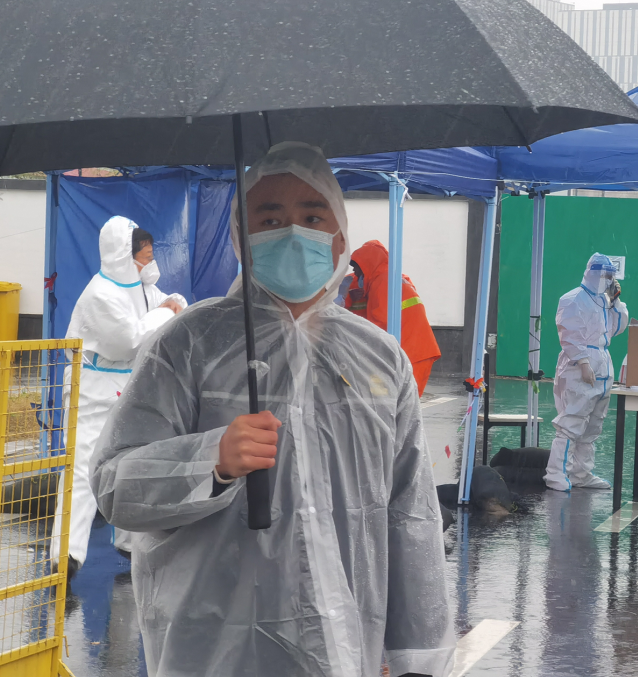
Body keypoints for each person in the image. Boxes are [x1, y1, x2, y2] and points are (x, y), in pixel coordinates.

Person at [91, 143, 454, 677]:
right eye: (270, 218)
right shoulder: (186, 346)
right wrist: (211, 460)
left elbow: (411, 518)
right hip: (215, 652)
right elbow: (114, 488)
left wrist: (416, 659)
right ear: (242, 237)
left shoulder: (380, 359)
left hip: (349, 650)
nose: (292, 233)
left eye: (312, 217)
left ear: (340, 237)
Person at [50, 217, 185, 576]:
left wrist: (169, 305)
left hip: (128, 384)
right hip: (92, 388)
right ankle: (66, 553)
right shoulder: (101, 294)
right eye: (145, 257)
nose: (149, 263)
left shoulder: (140, 288)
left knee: (131, 460)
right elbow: (129, 340)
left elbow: (173, 305)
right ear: (124, 256)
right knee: (83, 466)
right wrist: (164, 312)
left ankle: (129, 542)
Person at [545, 253, 628, 492]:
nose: (609, 280)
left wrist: (615, 302)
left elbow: (617, 327)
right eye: (606, 275)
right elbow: (569, 332)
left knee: (592, 425)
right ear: (593, 273)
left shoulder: (603, 301)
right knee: (572, 421)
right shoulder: (573, 299)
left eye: (611, 276)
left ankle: (581, 474)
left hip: (602, 363)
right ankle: (556, 474)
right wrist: (582, 361)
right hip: (578, 366)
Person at [336, 240, 441, 396]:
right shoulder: (390, 277)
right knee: (401, 400)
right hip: (416, 349)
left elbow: (380, 326)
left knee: (400, 401)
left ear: (367, 266)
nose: (355, 273)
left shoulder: (383, 282)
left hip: (411, 351)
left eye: (357, 269)